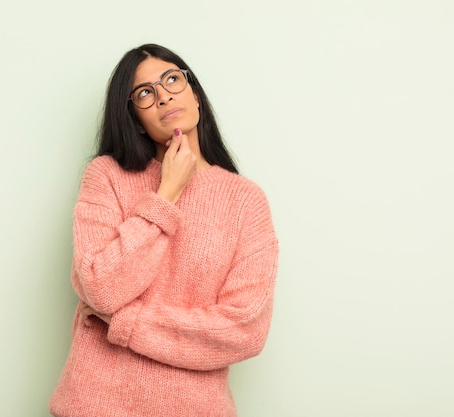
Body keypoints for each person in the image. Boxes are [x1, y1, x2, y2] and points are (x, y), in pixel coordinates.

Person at [49, 43, 279, 417]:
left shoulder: (245, 201)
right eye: (145, 93)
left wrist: (125, 321)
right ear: (136, 119)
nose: (163, 96)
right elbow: (101, 288)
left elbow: (243, 329)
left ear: (195, 94)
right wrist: (165, 195)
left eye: (172, 79)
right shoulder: (107, 176)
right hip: (93, 405)